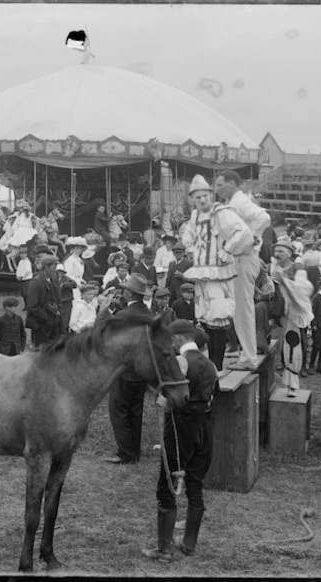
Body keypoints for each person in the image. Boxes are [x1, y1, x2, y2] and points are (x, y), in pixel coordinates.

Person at [142, 319, 217, 561]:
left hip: (179, 427)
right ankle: (189, 544)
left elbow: (172, 398)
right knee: (195, 485)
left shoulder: (180, 362)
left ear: (178, 339)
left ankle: (164, 550)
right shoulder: (210, 363)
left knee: (167, 486)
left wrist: (161, 399)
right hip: (204, 428)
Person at [181, 174, 254, 371]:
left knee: (219, 317)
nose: (202, 200)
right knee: (205, 317)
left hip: (219, 272)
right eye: (198, 198)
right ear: (193, 199)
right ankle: (211, 366)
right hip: (201, 272)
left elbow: (243, 232)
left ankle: (218, 367)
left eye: (205, 196)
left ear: (210, 195)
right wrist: (189, 246)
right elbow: (188, 235)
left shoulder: (221, 212)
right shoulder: (195, 216)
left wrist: (227, 249)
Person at [214, 170, 271, 371]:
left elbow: (263, 218)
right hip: (238, 259)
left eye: (221, 184)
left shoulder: (240, 201)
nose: (217, 188)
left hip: (244, 258)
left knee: (243, 308)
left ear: (231, 183)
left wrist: (252, 237)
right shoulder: (231, 203)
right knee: (238, 308)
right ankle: (245, 354)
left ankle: (248, 358)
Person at [98, 273, 153, 464]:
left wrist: (105, 316)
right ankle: (134, 451)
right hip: (142, 371)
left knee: (118, 410)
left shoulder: (124, 315)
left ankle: (125, 453)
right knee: (135, 412)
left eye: (125, 290)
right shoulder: (148, 314)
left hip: (123, 371)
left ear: (130, 294)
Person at [270, 239, 314, 395]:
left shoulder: (297, 268)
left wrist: (285, 282)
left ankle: (292, 385)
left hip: (294, 313)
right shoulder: (274, 268)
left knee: (292, 342)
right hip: (278, 311)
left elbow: (305, 288)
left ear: (289, 253)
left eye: (281, 251)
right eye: (276, 251)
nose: (277, 254)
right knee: (283, 343)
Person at [25, 255, 62, 347]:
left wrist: (57, 311)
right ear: (46, 267)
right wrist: (46, 318)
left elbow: (58, 299)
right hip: (41, 325)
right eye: (54, 267)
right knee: (40, 354)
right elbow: (32, 306)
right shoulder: (36, 282)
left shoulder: (53, 280)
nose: (56, 270)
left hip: (54, 324)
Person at [56, 263, 78, 333]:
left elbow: (74, 285)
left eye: (60, 272)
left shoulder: (67, 279)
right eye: (58, 272)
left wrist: (64, 285)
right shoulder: (54, 279)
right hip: (58, 302)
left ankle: (65, 332)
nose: (59, 273)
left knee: (66, 319)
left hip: (66, 302)